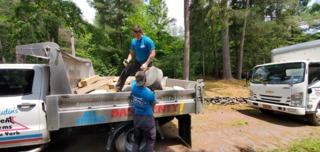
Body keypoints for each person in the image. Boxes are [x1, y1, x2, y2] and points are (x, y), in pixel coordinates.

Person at [116, 26, 156, 92]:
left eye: (138, 35)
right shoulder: (133, 41)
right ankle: (118, 88)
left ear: (141, 32)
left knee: (144, 78)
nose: (137, 36)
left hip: (147, 62)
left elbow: (153, 53)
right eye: (135, 35)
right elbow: (131, 53)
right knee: (126, 71)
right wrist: (128, 60)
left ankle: (150, 93)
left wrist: (146, 63)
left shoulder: (147, 40)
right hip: (137, 62)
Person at [131, 71, 156, 152]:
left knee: (137, 140)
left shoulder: (133, 87)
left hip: (137, 118)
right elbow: (153, 103)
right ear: (145, 81)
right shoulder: (149, 94)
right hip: (147, 119)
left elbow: (134, 81)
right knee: (150, 140)